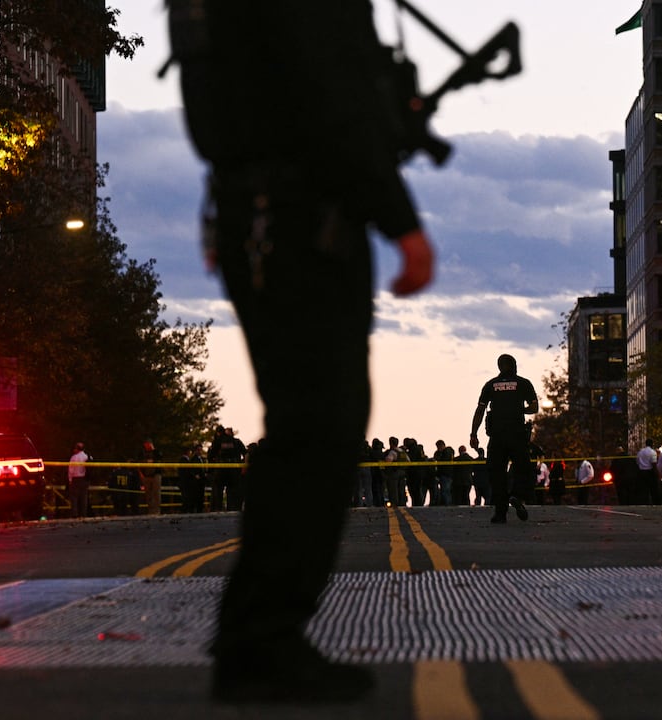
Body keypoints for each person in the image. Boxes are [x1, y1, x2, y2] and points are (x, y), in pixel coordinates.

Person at [170, 0, 436, 703]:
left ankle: (260, 635)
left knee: (307, 422)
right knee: (319, 422)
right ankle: (262, 637)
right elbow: (332, 88)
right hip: (297, 219)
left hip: (257, 211)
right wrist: (401, 219)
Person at [470, 353, 539, 523]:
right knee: (523, 468)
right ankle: (517, 495)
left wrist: (473, 434)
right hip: (517, 435)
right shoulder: (523, 383)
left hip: (497, 436)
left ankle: (500, 513)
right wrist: (519, 410)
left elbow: (480, 410)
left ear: (499, 367)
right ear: (515, 366)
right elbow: (534, 407)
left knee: (497, 474)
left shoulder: (491, 385)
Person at [138, 440, 163, 515]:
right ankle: (150, 510)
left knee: (156, 493)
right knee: (148, 494)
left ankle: (157, 510)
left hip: (155, 475)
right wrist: (142, 474)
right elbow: (139, 463)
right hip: (146, 475)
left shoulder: (157, 452)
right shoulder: (142, 453)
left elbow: (160, 459)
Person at [68, 442, 90, 518]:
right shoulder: (87, 457)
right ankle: (83, 514)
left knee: (74, 498)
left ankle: (75, 514)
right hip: (84, 479)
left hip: (75, 479)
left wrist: (70, 480)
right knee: (83, 497)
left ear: (77, 449)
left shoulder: (74, 457)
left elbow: (70, 470)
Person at [636, 438, 662, 504]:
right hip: (650, 472)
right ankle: (655, 503)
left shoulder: (640, 452)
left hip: (641, 472)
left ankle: (643, 502)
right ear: (652, 444)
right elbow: (654, 464)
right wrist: (658, 474)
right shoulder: (652, 452)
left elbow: (637, 462)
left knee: (643, 490)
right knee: (653, 489)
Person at [433, 440, 455, 506]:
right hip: (448, 474)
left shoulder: (445, 453)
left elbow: (442, 463)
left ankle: (447, 503)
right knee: (446, 490)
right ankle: (447, 503)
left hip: (445, 474)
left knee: (445, 490)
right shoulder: (449, 452)